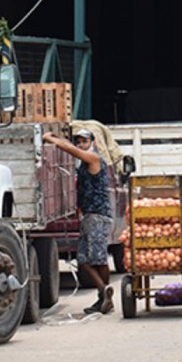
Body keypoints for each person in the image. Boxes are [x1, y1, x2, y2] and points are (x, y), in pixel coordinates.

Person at [43, 127, 114, 314]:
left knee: (98, 258)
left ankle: (105, 294)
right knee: (82, 259)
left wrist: (53, 141)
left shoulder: (94, 159)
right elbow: (71, 148)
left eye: (85, 141)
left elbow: (71, 150)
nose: (81, 144)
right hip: (89, 215)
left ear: (93, 143)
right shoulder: (84, 162)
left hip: (98, 214)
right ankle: (104, 291)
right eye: (79, 141)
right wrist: (58, 138)